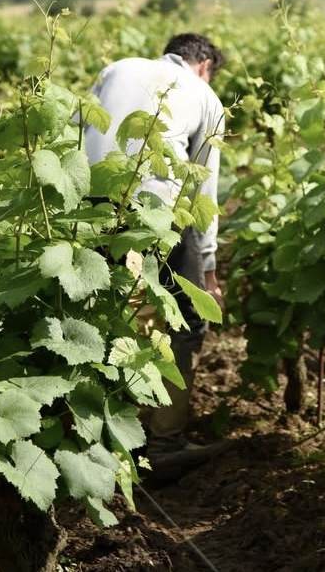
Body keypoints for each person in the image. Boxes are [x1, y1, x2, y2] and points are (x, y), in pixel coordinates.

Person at [82, 32, 227, 474]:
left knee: (111, 315)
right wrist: (208, 270)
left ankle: (105, 438)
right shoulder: (205, 95)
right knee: (185, 322)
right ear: (204, 65)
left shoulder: (117, 68)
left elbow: (79, 129)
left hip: (93, 202)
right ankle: (163, 444)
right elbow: (203, 188)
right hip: (158, 208)